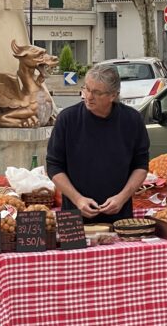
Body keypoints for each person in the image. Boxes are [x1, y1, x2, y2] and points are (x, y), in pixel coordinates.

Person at [46, 63, 150, 224]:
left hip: (119, 216)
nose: (88, 96)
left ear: (113, 95)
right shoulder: (67, 119)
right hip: (74, 217)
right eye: (86, 89)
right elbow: (54, 166)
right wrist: (77, 199)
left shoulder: (132, 120)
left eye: (96, 92)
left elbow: (141, 165)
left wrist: (122, 198)